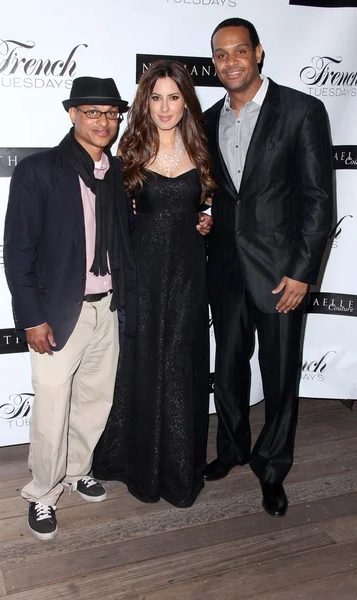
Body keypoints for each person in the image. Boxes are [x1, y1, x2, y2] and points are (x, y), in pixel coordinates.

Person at [203, 18, 333, 516]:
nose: (230, 61)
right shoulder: (211, 117)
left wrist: (303, 272)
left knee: (279, 377)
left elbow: (319, 198)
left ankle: (272, 468)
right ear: (213, 61)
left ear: (258, 53)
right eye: (220, 54)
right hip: (226, 270)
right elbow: (223, 194)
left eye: (239, 51)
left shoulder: (302, 110)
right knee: (229, 369)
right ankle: (232, 449)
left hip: (282, 273)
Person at [3, 76, 137, 540]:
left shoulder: (115, 172)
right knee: (52, 407)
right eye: (93, 112)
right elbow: (19, 252)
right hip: (59, 313)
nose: (104, 121)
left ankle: (78, 470)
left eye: (111, 113)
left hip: (106, 308)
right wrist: (32, 318)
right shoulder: (39, 170)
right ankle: (42, 492)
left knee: (95, 401)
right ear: (72, 115)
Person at [93, 60, 215, 508]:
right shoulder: (130, 153)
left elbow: (216, 201)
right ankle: (137, 465)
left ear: (186, 101)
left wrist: (210, 217)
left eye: (174, 97)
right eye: (156, 97)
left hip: (188, 273)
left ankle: (179, 470)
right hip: (142, 273)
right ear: (146, 102)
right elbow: (114, 221)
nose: (165, 107)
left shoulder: (203, 149)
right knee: (141, 363)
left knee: (182, 365)